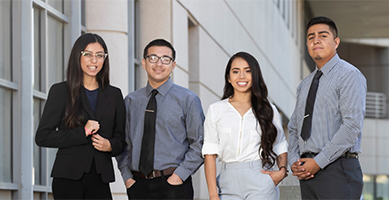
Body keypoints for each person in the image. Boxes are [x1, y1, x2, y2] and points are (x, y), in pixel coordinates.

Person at [35, 33, 126, 200]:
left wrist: (110, 145)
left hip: (100, 178)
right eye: (88, 54)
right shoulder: (61, 91)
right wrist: (82, 132)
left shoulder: (114, 95)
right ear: (78, 56)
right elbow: (42, 136)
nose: (94, 60)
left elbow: (121, 138)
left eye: (100, 55)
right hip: (68, 177)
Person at [287, 16, 367, 200]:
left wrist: (318, 162)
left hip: (338, 170)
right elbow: (293, 128)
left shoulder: (349, 75)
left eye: (323, 35)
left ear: (336, 42)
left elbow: (351, 127)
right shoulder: (305, 84)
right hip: (308, 174)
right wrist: (294, 162)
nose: (316, 40)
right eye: (311, 37)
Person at [117, 39, 204, 200]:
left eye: (165, 59)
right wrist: (127, 177)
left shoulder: (188, 99)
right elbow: (123, 143)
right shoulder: (130, 101)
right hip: (138, 186)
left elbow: (199, 144)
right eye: (153, 58)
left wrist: (179, 176)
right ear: (144, 63)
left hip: (174, 186)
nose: (159, 63)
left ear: (173, 65)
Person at [203, 52, 289, 200]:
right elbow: (209, 153)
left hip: (260, 179)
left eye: (248, 71)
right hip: (227, 182)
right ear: (229, 78)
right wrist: (213, 194)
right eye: (235, 71)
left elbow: (280, 145)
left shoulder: (269, 110)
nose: (241, 76)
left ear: (255, 76)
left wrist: (282, 171)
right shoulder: (216, 110)